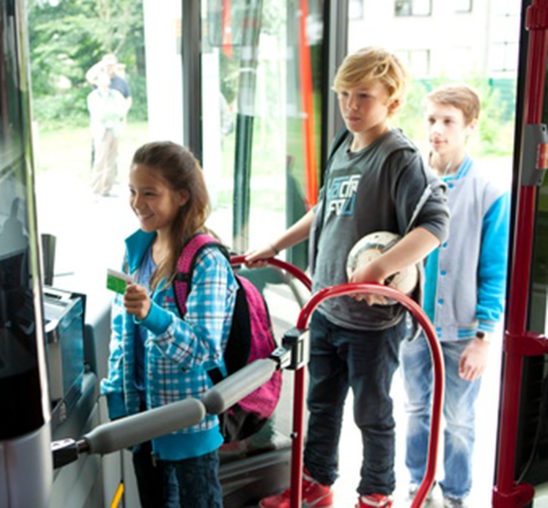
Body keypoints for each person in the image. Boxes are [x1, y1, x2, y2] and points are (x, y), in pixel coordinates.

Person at [247, 47, 450, 508]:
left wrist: (380, 268)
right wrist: (276, 245)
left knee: (373, 413)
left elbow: (435, 225)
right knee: (321, 404)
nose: (351, 107)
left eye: (364, 96)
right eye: (344, 95)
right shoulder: (344, 144)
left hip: (371, 322)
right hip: (325, 308)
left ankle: (376, 494)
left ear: (392, 102)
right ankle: (316, 483)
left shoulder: (399, 156)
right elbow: (324, 210)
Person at [100, 141, 237, 507]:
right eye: (132, 191)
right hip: (142, 421)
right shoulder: (137, 250)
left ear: (181, 196)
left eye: (149, 193)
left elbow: (204, 350)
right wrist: (118, 394)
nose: (137, 203)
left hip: (189, 423)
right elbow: (121, 331)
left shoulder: (206, 261)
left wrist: (152, 315)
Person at [401, 85, 509, 508]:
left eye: (448, 122)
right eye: (431, 120)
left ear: (470, 127)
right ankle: (418, 483)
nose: (437, 131)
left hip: (464, 329)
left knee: (460, 419)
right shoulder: (411, 180)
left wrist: (484, 338)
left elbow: (494, 270)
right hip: (414, 325)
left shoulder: (488, 192)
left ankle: (457, 494)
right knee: (415, 410)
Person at [87, 71, 127, 196]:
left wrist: (110, 112)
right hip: (101, 132)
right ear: (97, 82)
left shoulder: (116, 95)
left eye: (106, 80)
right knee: (100, 159)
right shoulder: (93, 96)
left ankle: (107, 189)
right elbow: (98, 114)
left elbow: (121, 111)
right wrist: (111, 112)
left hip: (114, 130)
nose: (105, 82)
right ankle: (95, 189)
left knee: (112, 159)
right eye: (102, 80)